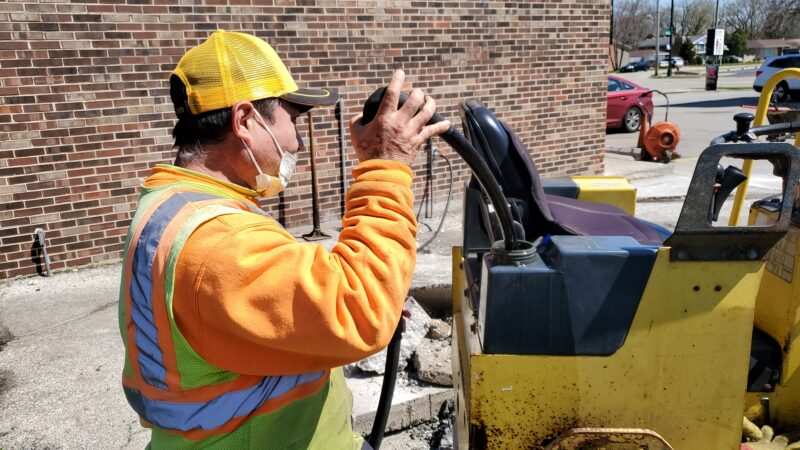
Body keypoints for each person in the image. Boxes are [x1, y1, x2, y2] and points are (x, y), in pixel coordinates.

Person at [117, 30, 450, 449]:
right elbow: (358, 310)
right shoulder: (217, 241)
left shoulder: (178, 204)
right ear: (244, 121)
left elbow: (267, 294)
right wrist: (385, 168)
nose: (297, 140)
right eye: (292, 119)